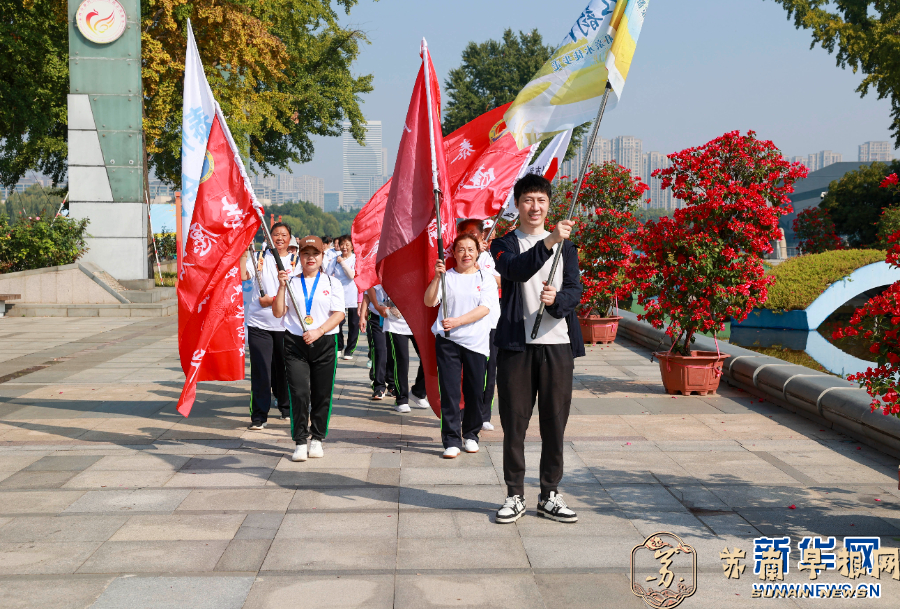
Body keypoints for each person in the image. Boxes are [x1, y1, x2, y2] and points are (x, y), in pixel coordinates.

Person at [490, 173, 583, 524]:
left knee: (555, 422)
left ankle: (550, 494)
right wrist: (549, 242)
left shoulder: (567, 248)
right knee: (514, 421)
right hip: (517, 345)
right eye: (528, 200)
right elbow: (515, 271)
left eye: (541, 200)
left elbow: (575, 289)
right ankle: (514, 494)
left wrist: (557, 300)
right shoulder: (504, 244)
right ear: (517, 204)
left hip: (557, 344)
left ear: (548, 204)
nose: (535, 206)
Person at [425, 232, 499, 459]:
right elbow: (429, 301)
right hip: (448, 342)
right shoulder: (446, 277)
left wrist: (457, 321)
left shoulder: (485, 278)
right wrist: (436, 278)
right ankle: (451, 440)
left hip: (476, 342)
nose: (466, 254)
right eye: (461, 250)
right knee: (449, 392)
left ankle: (471, 435)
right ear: (454, 254)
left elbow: (484, 308)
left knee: (475, 391)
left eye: (470, 249)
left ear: (477, 253)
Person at [272, 235, 345, 462]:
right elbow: (277, 312)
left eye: (315, 254)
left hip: (324, 342)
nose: (311, 258)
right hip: (295, 343)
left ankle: (317, 438)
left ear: (322, 256)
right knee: (299, 393)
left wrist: (319, 331)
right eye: (306, 254)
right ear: (299, 256)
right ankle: (300, 441)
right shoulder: (291, 282)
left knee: (322, 394)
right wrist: (281, 286)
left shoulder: (332, 283)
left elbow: (339, 314)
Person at [243, 223, 294, 430]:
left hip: (286, 325)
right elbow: (243, 276)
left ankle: (286, 407)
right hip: (259, 323)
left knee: (285, 369)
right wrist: (242, 252)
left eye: (284, 235)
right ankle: (259, 415)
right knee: (261, 370)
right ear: (269, 237)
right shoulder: (259, 258)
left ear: (290, 239)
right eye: (276, 234)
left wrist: (272, 301)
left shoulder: (295, 261)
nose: (280, 238)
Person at [458, 218, 501, 432]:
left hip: (490, 322)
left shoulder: (487, 257)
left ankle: (484, 414)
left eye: (475, 233)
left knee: (489, 371)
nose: (472, 237)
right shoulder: (457, 256)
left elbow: (501, 281)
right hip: (465, 324)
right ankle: (463, 411)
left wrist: (479, 266)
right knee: (466, 373)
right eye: (466, 233)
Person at [382, 290, 429, 413]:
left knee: (429, 359)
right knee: (401, 362)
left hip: (419, 322)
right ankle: (401, 399)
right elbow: (371, 286)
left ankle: (418, 392)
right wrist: (377, 306)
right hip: (396, 323)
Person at [328, 235, 359, 361]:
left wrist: (342, 262)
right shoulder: (334, 260)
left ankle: (350, 349)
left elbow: (352, 275)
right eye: (342, 244)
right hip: (338, 296)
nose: (344, 247)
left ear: (352, 246)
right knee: (338, 323)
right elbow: (327, 275)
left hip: (353, 295)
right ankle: (339, 347)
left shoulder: (356, 259)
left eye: (347, 245)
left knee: (354, 324)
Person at [365, 284, 396, 400]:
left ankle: (392, 384)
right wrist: (363, 312)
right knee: (380, 349)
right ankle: (379, 386)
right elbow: (367, 291)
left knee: (393, 350)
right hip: (377, 314)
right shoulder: (373, 273)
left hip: (395, 316)